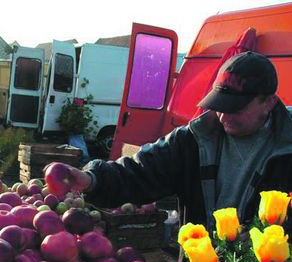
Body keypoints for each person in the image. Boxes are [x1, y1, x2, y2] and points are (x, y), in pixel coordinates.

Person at [54, 52, 292, 231]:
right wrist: (92, 179)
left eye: (235, 108)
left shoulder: (287, 149)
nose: (223, 116)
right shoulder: (194, 139)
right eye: (219, 105)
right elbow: (141, 170)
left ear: (268, 103)